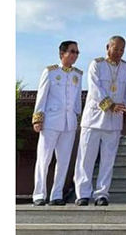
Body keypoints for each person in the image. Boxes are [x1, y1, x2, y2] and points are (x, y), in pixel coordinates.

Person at [75, 36, 126, 206]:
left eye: (122, 49)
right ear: (108, 47)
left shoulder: (125, 67)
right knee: (86, 158)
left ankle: (102, 193)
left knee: (108, 160)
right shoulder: (97, 64)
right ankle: (83, 193)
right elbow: (95, 89)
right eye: (116, 49)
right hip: (94, 119)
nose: (119, 52)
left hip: (114, 122)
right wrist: (110, 105)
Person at [31, 40, 83, 206]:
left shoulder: (77, 75)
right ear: (62, 54)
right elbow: (42, 96)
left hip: (69, 123)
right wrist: (38, 118)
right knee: (44, 159)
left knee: (64, 160)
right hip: (51, 121)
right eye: (72, 51)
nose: (75, 55)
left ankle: (56, 194)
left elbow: (77, 101)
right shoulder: (51, 72)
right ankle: (39, 194)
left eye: (77, 52)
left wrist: (77, 118)